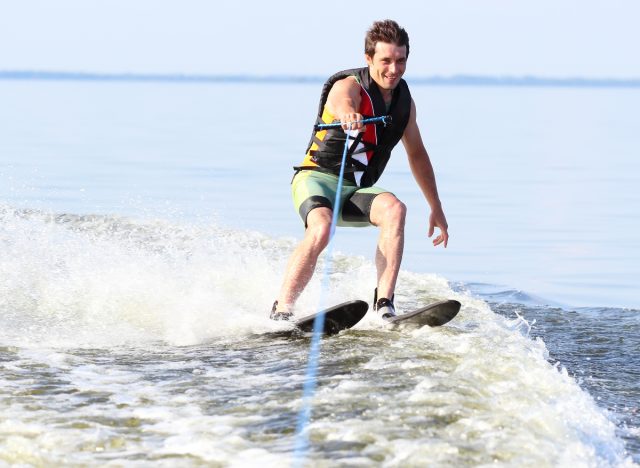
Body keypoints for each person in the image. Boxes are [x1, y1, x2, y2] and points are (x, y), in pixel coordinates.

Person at [270, 19, 449, 321]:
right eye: (386, 61)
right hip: (315, 180)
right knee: (322, 228)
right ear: (369, 59)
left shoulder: (405, 103)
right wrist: (348, 114)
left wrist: (436, 206)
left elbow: (417, 155)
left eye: (401, 61)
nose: (394, 69)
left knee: (395, 208)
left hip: (355, 190)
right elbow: (341, 101)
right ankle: (282, 309)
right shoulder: (349, 86)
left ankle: (385, 306)